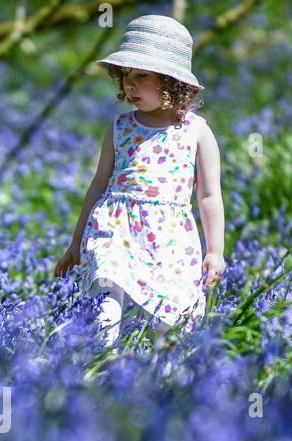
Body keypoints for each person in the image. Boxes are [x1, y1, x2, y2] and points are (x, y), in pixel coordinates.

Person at [54, 15, 226, 347]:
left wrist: (215, 250)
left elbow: (209, 196)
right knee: (105, 290)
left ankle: (162, 384)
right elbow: (98, 185)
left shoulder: (196, 131)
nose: (129, 85)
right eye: (126, 76)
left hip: (169, 237)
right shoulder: (119, 127)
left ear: (171, 81)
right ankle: (98, 360)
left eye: (141, 76)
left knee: (168, 321)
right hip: (114, 228)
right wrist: (76, 243)